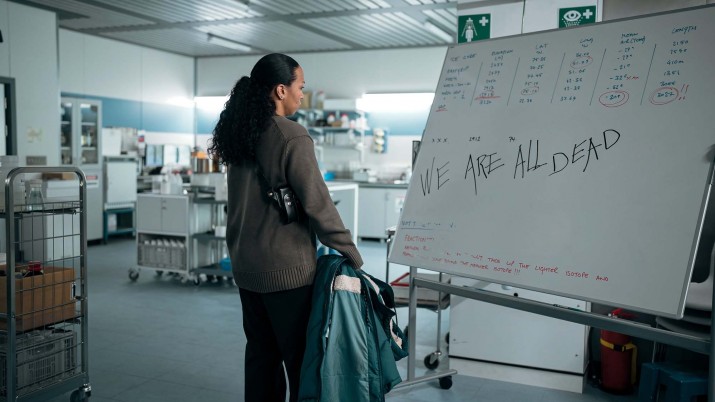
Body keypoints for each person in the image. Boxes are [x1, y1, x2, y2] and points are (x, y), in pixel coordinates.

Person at [208, 53, 363, 402]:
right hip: (286, 271)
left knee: (261, 358)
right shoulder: (292, 135)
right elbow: (318, 203)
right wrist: (350, 252)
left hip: (246, 266)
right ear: (281, 90)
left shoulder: (240, 133)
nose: (302, 95)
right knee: (300, 361)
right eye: (300, 87)